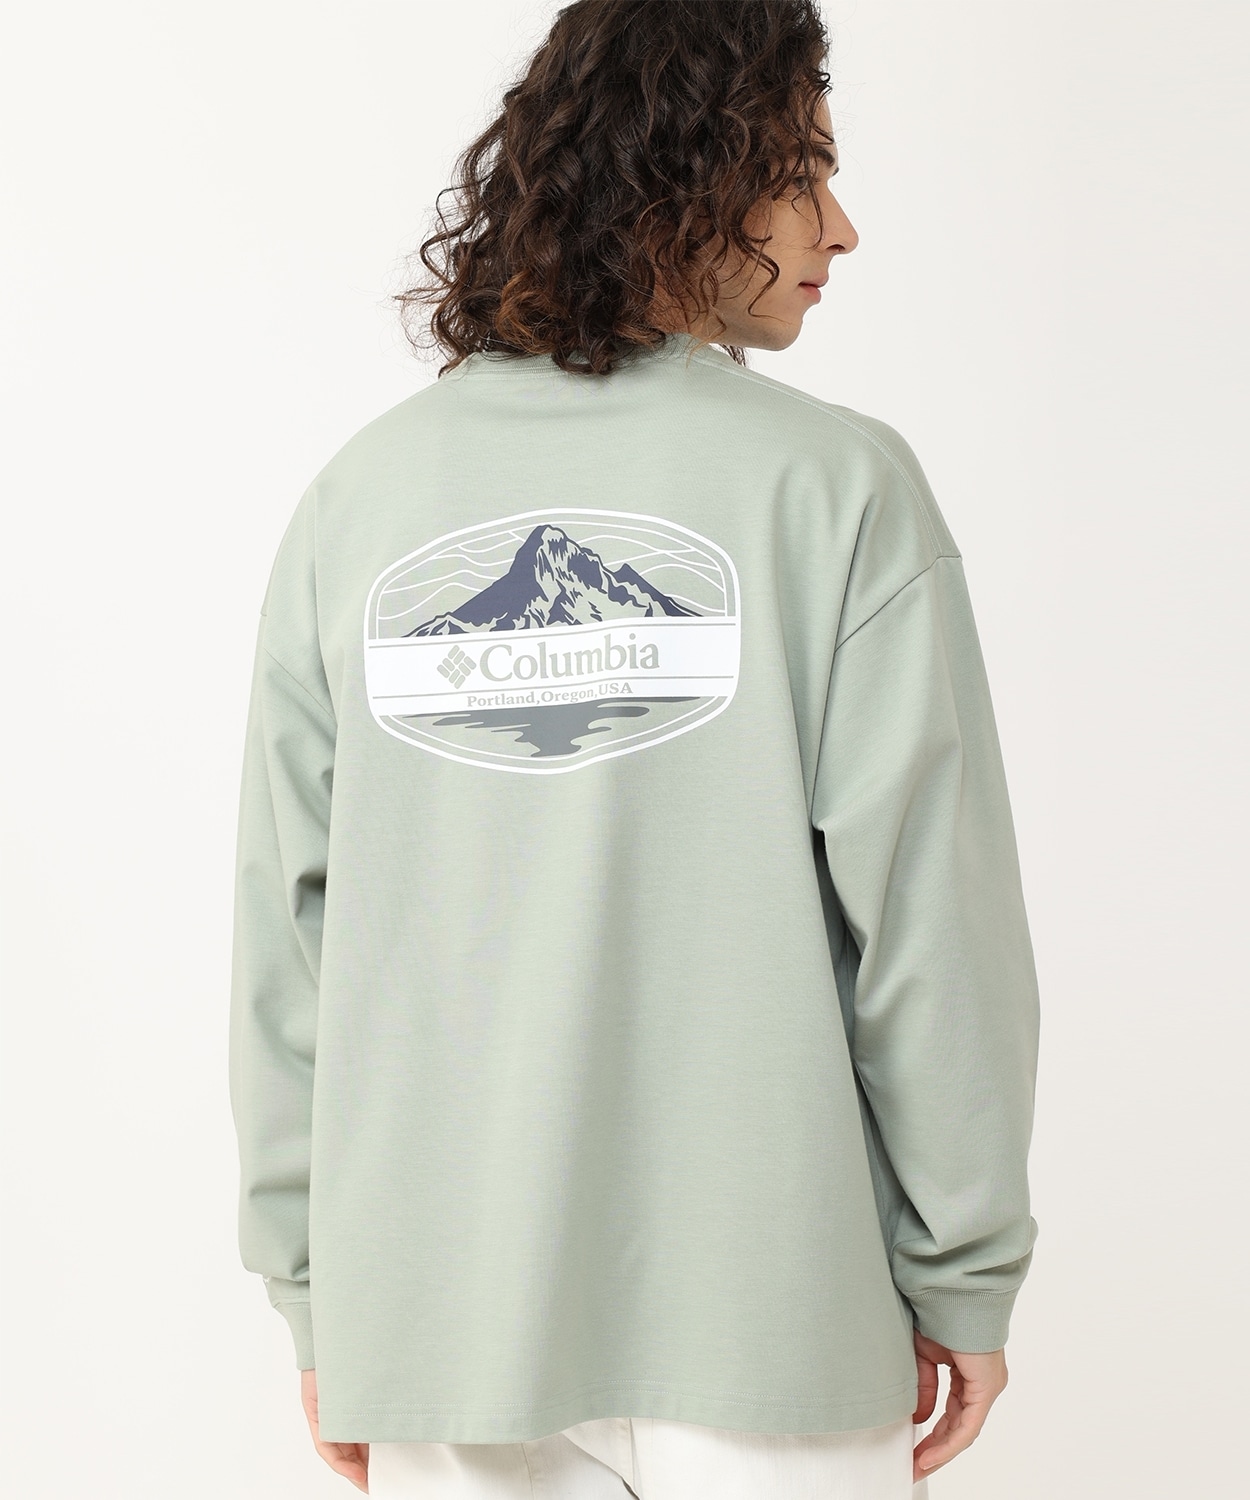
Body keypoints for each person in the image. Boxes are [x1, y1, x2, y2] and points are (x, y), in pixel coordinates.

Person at [227, 2, 1041, 1495]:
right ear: (688, 173)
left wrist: (323, 1293)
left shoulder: (363, 499)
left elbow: (292, 941)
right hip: (772, 1319)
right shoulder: (835, 489)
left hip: (442, 1318)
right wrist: (963, 1270)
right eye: (800, 173)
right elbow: (932, 925)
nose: (840, 227)